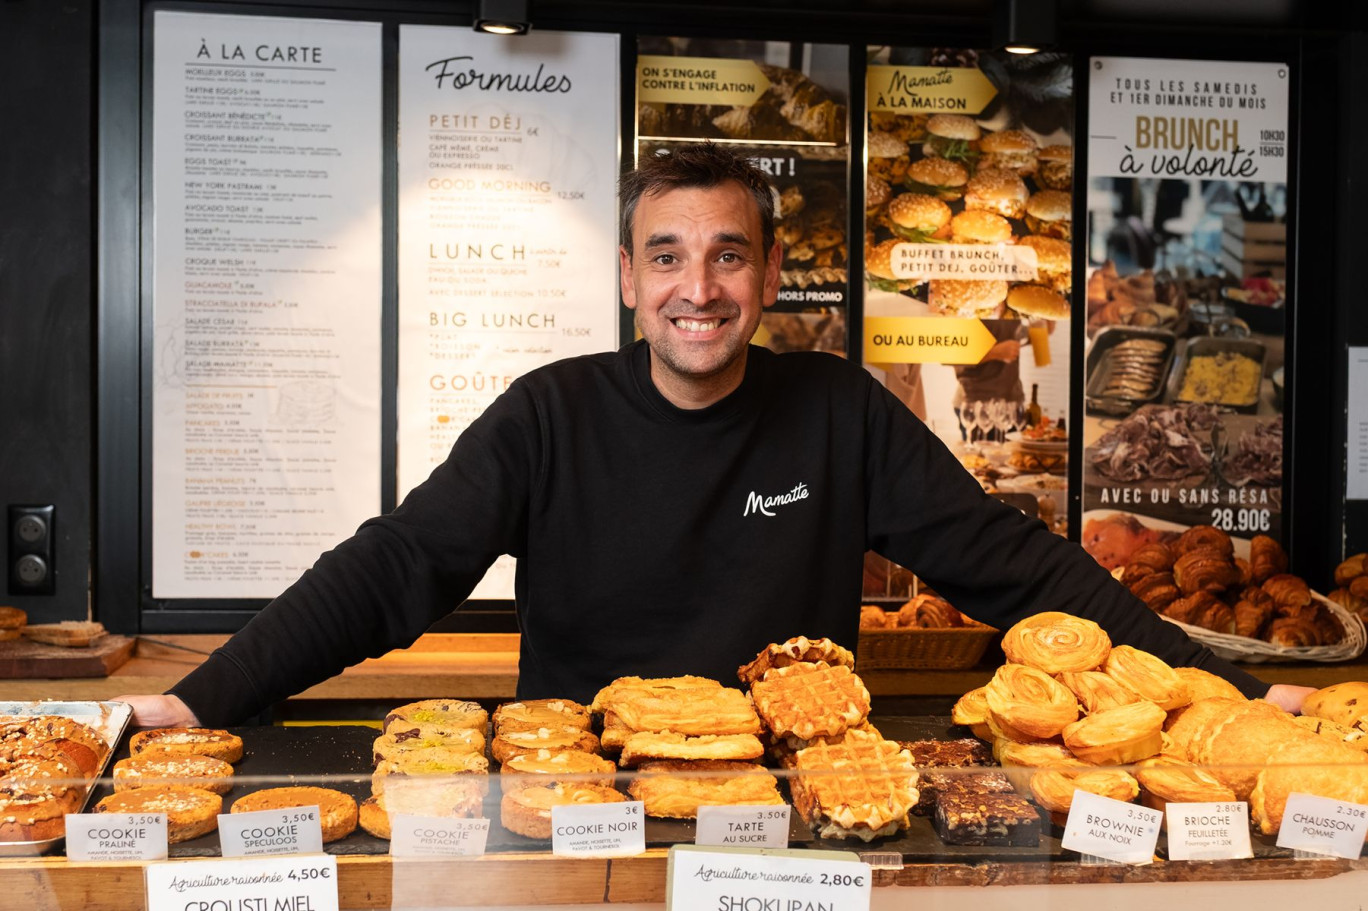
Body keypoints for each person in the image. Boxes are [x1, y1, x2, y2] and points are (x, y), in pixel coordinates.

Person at [120, 144, 1311, 728]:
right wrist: (199, 697)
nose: (702, 285)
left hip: (789, 808)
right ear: (630, 279)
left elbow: (1018, 567)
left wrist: (1221, 683)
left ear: (771, 272)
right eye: (671, 256)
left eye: (730, 253)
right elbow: (393, 569)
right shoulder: (551, 413)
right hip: (582, 793)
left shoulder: (837, 410)